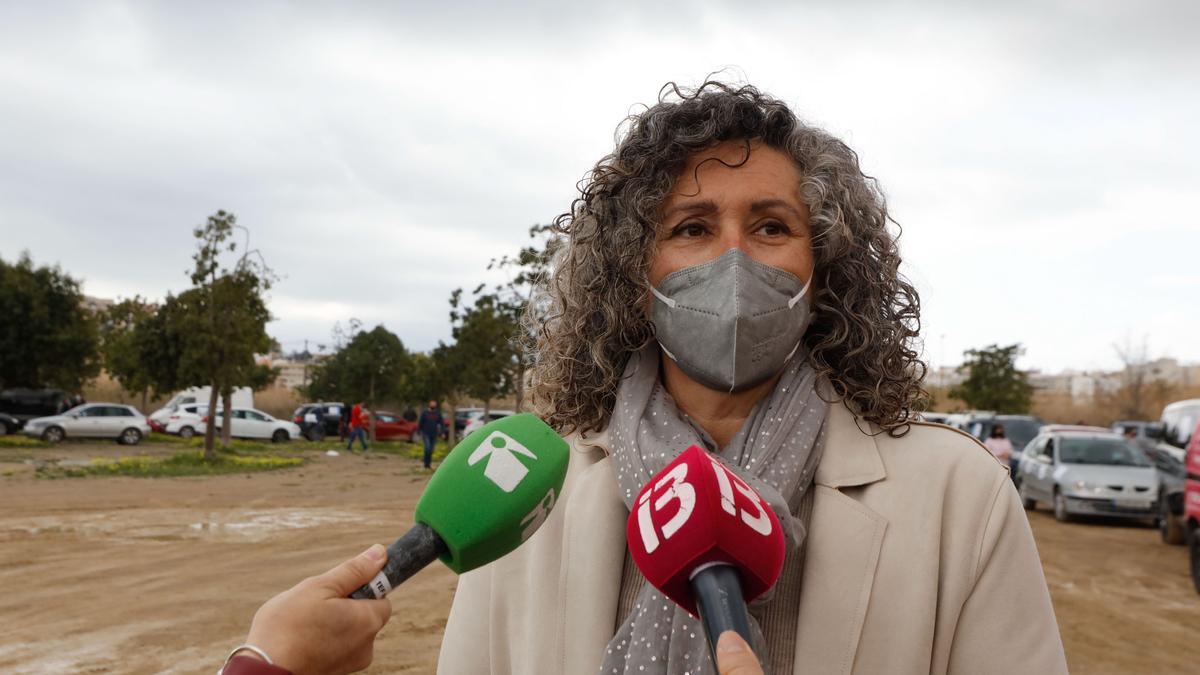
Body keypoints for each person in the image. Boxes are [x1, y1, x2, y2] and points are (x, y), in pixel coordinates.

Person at [238, 81, 1068, 674]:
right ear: (636, 270)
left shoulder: (959, 496)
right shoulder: (529, 493)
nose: (734, 259)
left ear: (829, 267)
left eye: (772, 225)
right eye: (693, 227)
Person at [417, 400, 444, 469]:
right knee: (427, 448)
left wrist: (442, 432)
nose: (433, 405)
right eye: (432, 404)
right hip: (426, 433)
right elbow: (420, 422)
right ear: (429, 405)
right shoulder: (425, 413)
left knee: (431, 449)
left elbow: (441, 423)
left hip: (434, 434)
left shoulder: (437, 413)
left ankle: (428, 464)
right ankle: (426, 464)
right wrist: (419, 431)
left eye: (434, 404)